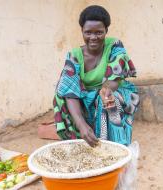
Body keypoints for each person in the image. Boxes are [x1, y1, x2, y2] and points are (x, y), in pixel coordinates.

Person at [53, 5, 139, 147]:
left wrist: (104, 94)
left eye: (99, 32)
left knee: (109, 100)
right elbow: (69, 92)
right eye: (88, 33)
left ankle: (115, 146)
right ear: (82, 31)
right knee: (61, 94)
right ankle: (81, 142)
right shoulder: (74, 55)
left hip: (114, 91)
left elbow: (113, 81)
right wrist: (81, 125)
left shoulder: (114, 46)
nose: (93, 37)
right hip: (86, 98)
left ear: (106, 31)